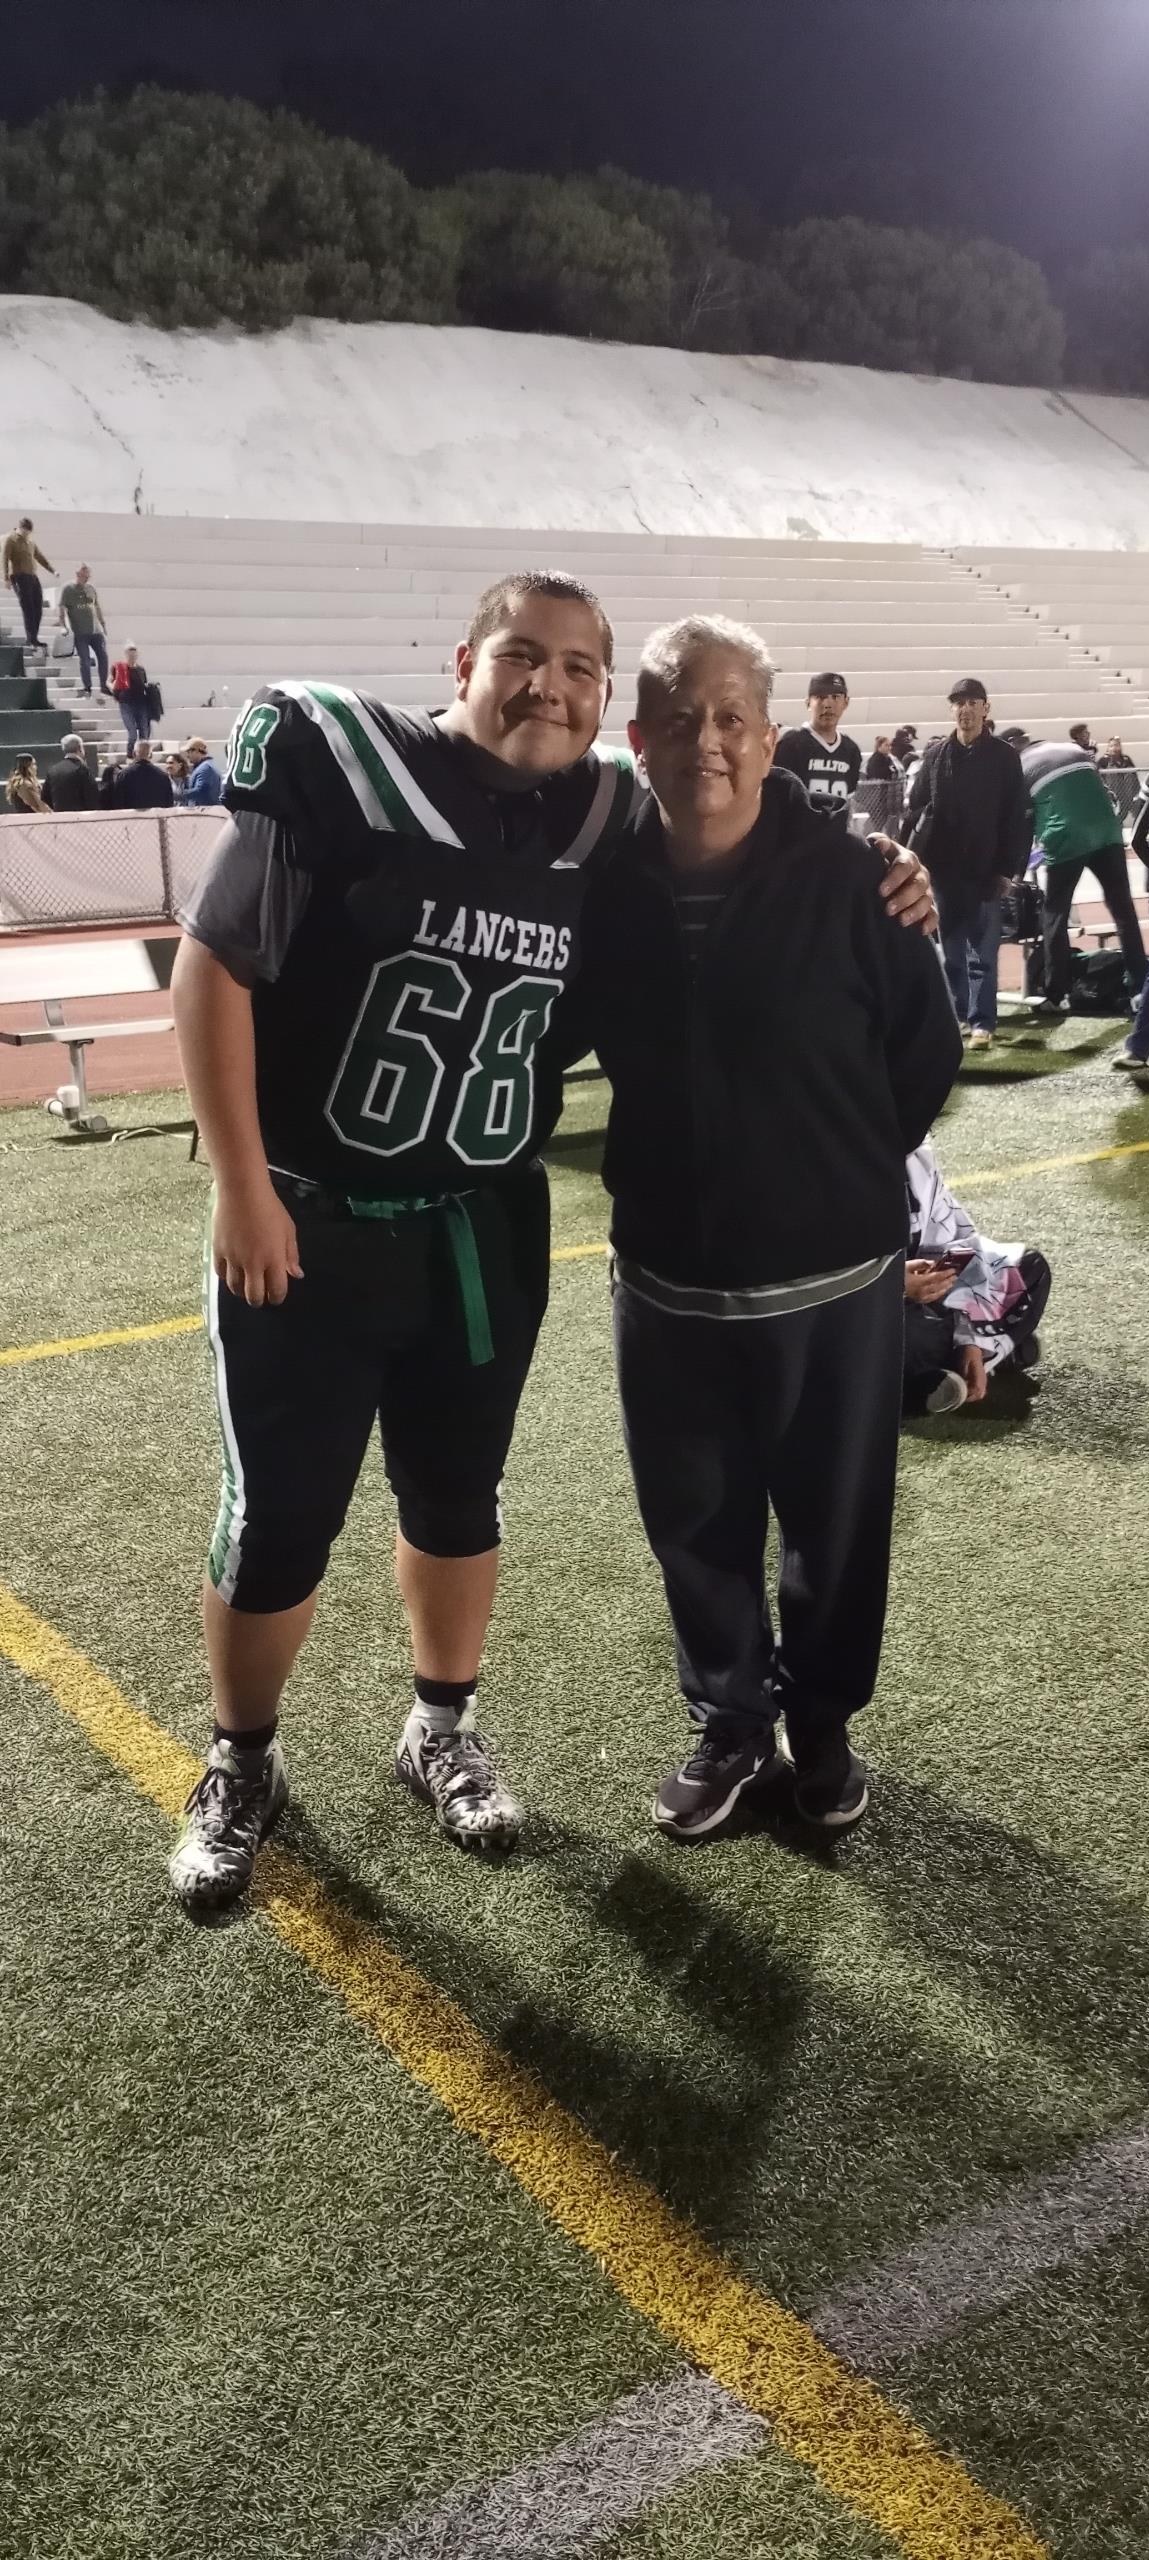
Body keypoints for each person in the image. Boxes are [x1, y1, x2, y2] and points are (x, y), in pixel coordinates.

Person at [164, 570, 936, 1911]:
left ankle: (454, 1726)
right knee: (291, 1511)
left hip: (508, 1219)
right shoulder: (400, 781)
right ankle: (243, 1761)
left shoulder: (671, 834)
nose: (552, 686)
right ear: (466, 657)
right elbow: (218, 962)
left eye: (580, 666)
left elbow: (881, 1003)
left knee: (465, 1498)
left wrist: (885, 869)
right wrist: (241, 1183)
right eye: (526, 656)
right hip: (341, 1216)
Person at [576, 616, 960, 1843]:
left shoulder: (860, 879)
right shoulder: (604, 890)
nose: (710, 743)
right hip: (671, 1282)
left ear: (773, 732)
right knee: (695, 1520)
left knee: (839, 1526)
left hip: (836, 1276)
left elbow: (924, 1056)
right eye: (681, 719)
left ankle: (826, 1725)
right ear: (638, 739)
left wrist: (828, 1173)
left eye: (733, 716)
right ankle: (732, 1721)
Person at [901, 678, 1032, 1052]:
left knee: (983, 954)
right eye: (959, 702)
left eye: (973, 702)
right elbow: (916, 807)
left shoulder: (1005, 757)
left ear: (986, 709)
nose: (966, 709)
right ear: (951, 709)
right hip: (943, 870)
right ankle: (956, 1017)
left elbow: (1017, 818)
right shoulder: (936, 755)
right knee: (952, 953)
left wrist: (1007, 869)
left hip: (986, 872)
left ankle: (982, 1023)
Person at [903, 1142, 1051, 1416]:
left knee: (1028, 1268)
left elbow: (959, 1246)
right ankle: (915, 1389)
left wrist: (971, 1339)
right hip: (867, 1308)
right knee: (899, 1333)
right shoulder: (829, 1157)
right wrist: (895, 1284)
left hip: (923, 1306)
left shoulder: (918, 1155)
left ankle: (965, 1361)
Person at [1017, 735, 1148, 1015]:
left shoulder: (1019, 765)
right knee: (1123, 910)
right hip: (1108, 831)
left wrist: (1015, 872)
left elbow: (1022, 824)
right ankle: (1140, 989)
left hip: (1066, 837)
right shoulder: (1073, 749)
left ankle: (1057, 993)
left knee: (1055, 915)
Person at [772, 673, 863, 815]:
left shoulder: (851, 750)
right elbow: (775, 798)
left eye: (836, 697)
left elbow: (848, 802)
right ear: (808, 703)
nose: (827, 704)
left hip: (834, 833)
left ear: (846, 702)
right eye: (820, 697)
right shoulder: (791, 744)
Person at [57, 565, 112, 699]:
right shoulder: (68, 589)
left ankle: (104, 686)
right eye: (84, 575)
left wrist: (103, 624)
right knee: (85, 659)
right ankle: (87, 686)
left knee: (103, 657)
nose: (86, 578)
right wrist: (63, 625)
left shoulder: (91, 588)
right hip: (80, 632)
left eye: (88, 576)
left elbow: (97, 607)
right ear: (77, 574)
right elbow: (62, 608)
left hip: (95, 631)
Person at [3, 516, 54, 652]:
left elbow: (39, 556)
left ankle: (35, 637)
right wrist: (6, 577)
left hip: (32, 577)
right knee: (28, 608)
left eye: (28, 532)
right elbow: (4, 558)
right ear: (20, 528)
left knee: (38, 607)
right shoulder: (11, 539)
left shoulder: (30, 542)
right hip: (19, 577)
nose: (26, 533)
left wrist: (52, 570)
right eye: (25, 531)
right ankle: (30, 639)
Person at [41, 734, 98, 812]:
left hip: (60, 816)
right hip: (80, 817)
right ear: (80, 749)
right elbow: (92, 796)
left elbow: (45, 797)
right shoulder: (83, 770)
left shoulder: (53, 770)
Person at [110, 644, 152, 747]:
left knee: (144, 734)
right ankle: (130, 753)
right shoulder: (119, 668)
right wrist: (114, 687)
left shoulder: (141, 670)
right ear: (126, 655)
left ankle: (142, 756)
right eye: (130, 655)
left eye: (134, 655)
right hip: (126, 703)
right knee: (132, 733)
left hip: (141, 703)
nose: (132, 657)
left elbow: (144, 684)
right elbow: (109, 682)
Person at [115, 739, 174, 809]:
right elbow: (169, 804)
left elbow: (118, 804)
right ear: (151, 755)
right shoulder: (163, 776)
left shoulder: (123, 775)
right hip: (155, 818)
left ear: (133, 754)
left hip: (132, 818)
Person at [177, 735, 225, 805]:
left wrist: (180, 795)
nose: (187, 756)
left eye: (188, 752)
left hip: (205, 813)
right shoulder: (205, 766)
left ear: (196, 751)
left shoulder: (205, 768)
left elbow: (201, 791)